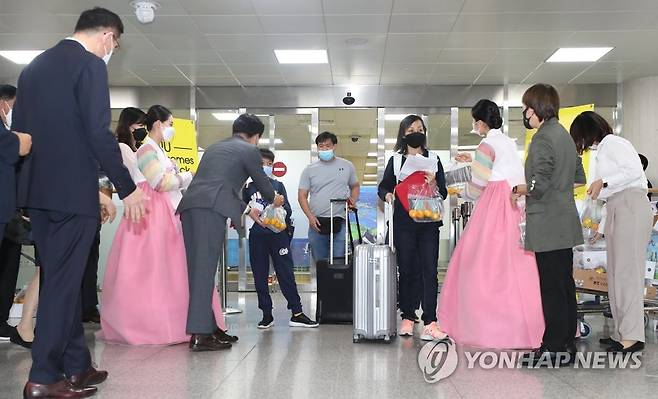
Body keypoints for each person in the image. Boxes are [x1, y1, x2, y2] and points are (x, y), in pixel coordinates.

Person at [12, 7, 147, 398]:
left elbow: (30, 136)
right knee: (62, 287)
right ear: (108, 37)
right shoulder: (89, 65)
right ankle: (43, 377)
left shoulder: (34, 67)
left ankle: (77, 366)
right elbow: (95, 133)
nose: (112, 52)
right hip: (70, 198)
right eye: (115, 45)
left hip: (39, 195)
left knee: (60, 280)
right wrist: (127, 188)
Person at [101, 105, 229, 346]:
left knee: (171, 269)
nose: (171, 129)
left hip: (164, 211)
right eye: (170, 124)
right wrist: (187, 176)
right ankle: (158, 324)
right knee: (159, 269)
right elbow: (159, 182)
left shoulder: (154, 149)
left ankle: (194, 322)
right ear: (158, 124)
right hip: (154, 213)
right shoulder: (147, 149)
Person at [437, 100, 544, 349]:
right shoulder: (508, 143)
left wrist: (458, 192)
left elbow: (477, 187)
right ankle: (527, 327)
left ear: (481, 122)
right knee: (519, 267)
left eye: (475, 121)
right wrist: (472, 162)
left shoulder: (486, 145)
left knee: (479, 265)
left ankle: (484, 325)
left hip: (494, 208)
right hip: (515, 206)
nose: (475, 126)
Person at [178, 114, 284, 352]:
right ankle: (200, 335)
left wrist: (246, 211)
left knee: (199, 269)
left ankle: (208, 326)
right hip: (209, 210)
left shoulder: (215, 148)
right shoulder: (248, 150)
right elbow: (262, 183)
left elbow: (221, 185)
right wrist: (274, 199)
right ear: (255, 136)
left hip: (191, 207)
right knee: (204, 272)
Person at [511, 84, 586, 366]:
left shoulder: (542, 138)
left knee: (552, 288)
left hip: (548, 223)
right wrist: (558, 187)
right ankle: (566, 342)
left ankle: (553, 347)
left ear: (538, 109)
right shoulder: (564, 135)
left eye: (527, 108)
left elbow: (538, 183)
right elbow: (579, 177)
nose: (525, 114)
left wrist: (521, 188)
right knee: (564, 285)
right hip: (565, 221)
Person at [571, 111, 653, 353]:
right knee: (617, 275)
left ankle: (632, 336)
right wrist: (602, 229)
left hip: (631, 206)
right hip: (619, 207)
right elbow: (610, 195)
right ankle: (622, 332)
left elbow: (633, 171)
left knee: (628, 274)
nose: (580, 144)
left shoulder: (614, 143)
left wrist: (603, 182)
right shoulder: (602, 151)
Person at [378, 115, 448, 341]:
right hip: (404, 223)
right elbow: (384, 186)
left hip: (428, 221)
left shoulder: (434, 159)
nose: (416, 132)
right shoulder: (396, 161)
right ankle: (408, 316)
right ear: (404, 134)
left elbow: (444, 192)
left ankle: (430, 320)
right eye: (411, 129)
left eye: (420, 128)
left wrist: (434, 183)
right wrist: (388, 194)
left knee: (429, 270)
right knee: (406, 270)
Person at [243, 148, 318, 329]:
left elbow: (288, 210)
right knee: (260, 274)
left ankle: (297, 312)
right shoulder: (247, 187)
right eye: (261, 164)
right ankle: (266, 314)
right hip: (257, 235)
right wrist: (255, 212)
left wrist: (279, 216)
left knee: (286, 273)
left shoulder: (278, 186)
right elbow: (241, 207)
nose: (266, 168)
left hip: (278, 236)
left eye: (269, 164)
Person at [298, 132, 360, 261]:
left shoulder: (347, 166)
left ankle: (337, 282)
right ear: (317, 148)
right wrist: (310, 217)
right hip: (317, 222)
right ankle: (322, 282)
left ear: (334, 146)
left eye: (327, 146)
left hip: (340, 220)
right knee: (320, 261)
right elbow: (302, 195)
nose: (324, 149)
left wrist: (353, 200)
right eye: (321, 146)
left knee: (339, 261)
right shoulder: (309, 170)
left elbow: (355, 186)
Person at [0, 83, 31, 342]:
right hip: (4, 213)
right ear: (4, 104)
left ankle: (2, 320)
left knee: (8, 270)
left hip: (10, 213)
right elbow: (20, 147)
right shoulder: (5, 134)